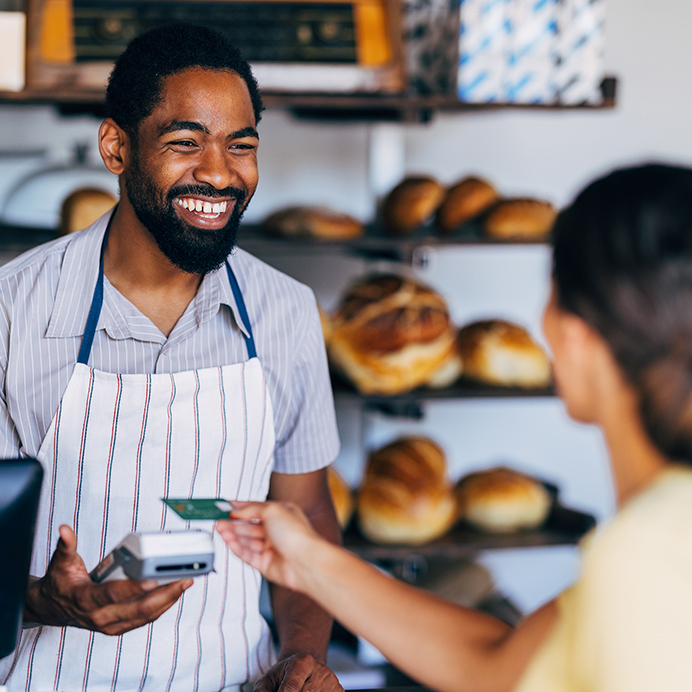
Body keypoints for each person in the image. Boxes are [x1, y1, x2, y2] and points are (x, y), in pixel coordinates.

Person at [218, 163, 692, 692]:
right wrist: (308, 559)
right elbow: (494, 664)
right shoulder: (666, 526)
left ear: (578, 335)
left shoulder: (645, 555)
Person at [0, 24, 344, 692]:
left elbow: (309, 517)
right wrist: (45, 601)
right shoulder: (12, 312)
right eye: (185, 142)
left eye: (239, 146)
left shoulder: (285, 311)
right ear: (116, 147)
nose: (219, 173)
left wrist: (301, 657)